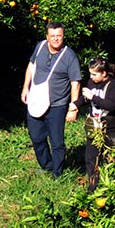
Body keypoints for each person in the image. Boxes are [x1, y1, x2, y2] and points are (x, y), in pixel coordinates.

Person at [20, 22, 81, 179]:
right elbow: (31, 66)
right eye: (52, 36)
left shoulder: (70, 56)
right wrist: (25, 87)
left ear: (63, 36)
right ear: (47, 37)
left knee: (57, 141)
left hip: (57, 105)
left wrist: (73, 107)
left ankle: (57, 172)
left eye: (59, 36)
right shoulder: (40, 47)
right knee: (36, 137)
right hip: (36, 99)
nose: (56, 39)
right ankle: (46, 165)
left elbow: (75, 83)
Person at [74, 56, 115, 192]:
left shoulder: (114, 85)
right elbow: (86, 98)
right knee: (91, 157)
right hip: (96, 127)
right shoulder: (92, 83)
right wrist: (75, 104)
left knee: (114, 157)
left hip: (113, 127)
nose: (91, 77)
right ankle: (92, 187)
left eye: (94, 74)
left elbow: (111, 105)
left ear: (104, 73)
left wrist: (93, 97)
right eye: (90, 74)